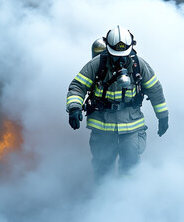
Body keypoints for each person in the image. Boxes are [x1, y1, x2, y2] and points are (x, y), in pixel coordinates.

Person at [66, 25, 169, 182]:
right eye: (116, 55)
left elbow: (155, 90)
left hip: (132, 124)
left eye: (124, 55)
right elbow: (77, 87)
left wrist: (163, 116)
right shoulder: (97, 65)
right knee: (103, 164)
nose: (120, 60)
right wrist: (74, 108)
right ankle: (102, 195)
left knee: (130, 159)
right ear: (108, 49)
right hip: (102, 124)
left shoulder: (139, 65)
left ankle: (127, 193)